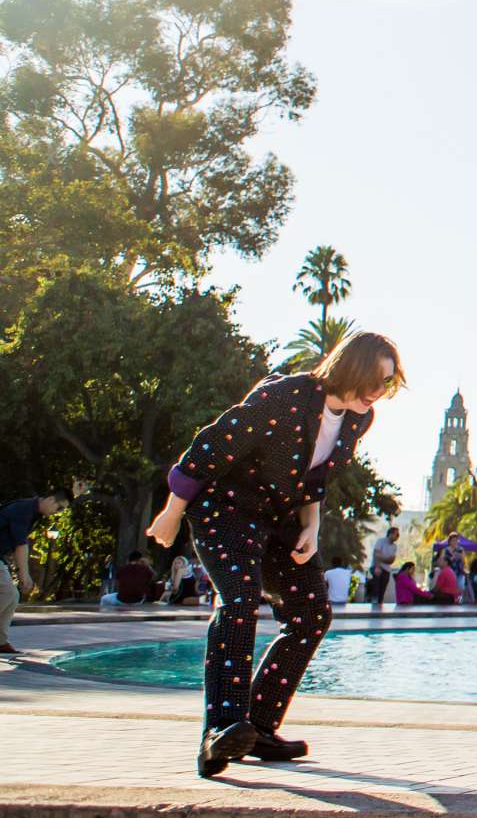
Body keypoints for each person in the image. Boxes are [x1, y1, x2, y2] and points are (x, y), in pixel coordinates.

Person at [143, 331, 403, 776]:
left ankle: (258, 728)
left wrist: (312, 526)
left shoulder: (359, 419)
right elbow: (211, 445)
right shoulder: (286, 396)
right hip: (225, 509)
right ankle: (220, 732)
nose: (379, 392)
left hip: (277, 519)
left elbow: (316, 478)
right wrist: (171, 512)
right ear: (349, 368)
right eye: (374, 379)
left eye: (388, 382)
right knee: (240, 601)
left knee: (311, 614)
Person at [0, 492, 64, 652]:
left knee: (12, 596)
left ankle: (0, 641)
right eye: (60, 507)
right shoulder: (24, 509)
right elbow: (20, 544)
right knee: (8, 593)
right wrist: (24, 574)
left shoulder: (31, 511)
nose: (60, 512)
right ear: (50, 499)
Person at [367, 524, 400, 608]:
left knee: (382, 588)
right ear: (391, 534)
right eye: (396, 534)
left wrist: (382, 558)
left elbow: (391, 560)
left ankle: (379, 604)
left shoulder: (394, 547)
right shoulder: (381, 541)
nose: (397, 536)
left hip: (387, 569)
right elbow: (376, 555)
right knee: (376, 586)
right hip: (377, 566)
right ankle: (374, 603)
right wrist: (378, 566)